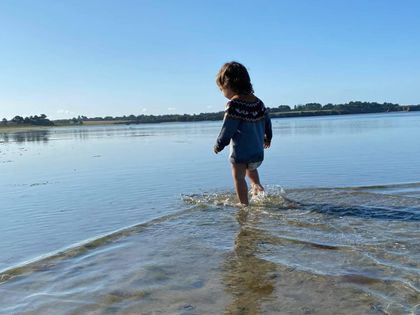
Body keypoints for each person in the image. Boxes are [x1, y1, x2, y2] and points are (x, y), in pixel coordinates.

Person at [214, 61, 272, 206]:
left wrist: (219, 144)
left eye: (221, 88)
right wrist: (268, 137)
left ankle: (243, 205)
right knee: (250, 170)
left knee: (239, 177)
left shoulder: (234, 105)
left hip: (240, 152)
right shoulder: (259, 102)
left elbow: (228, 128)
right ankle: (258, 188)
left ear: (228, 85)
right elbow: (267, 122)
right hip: (257, 152)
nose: (222, 92)